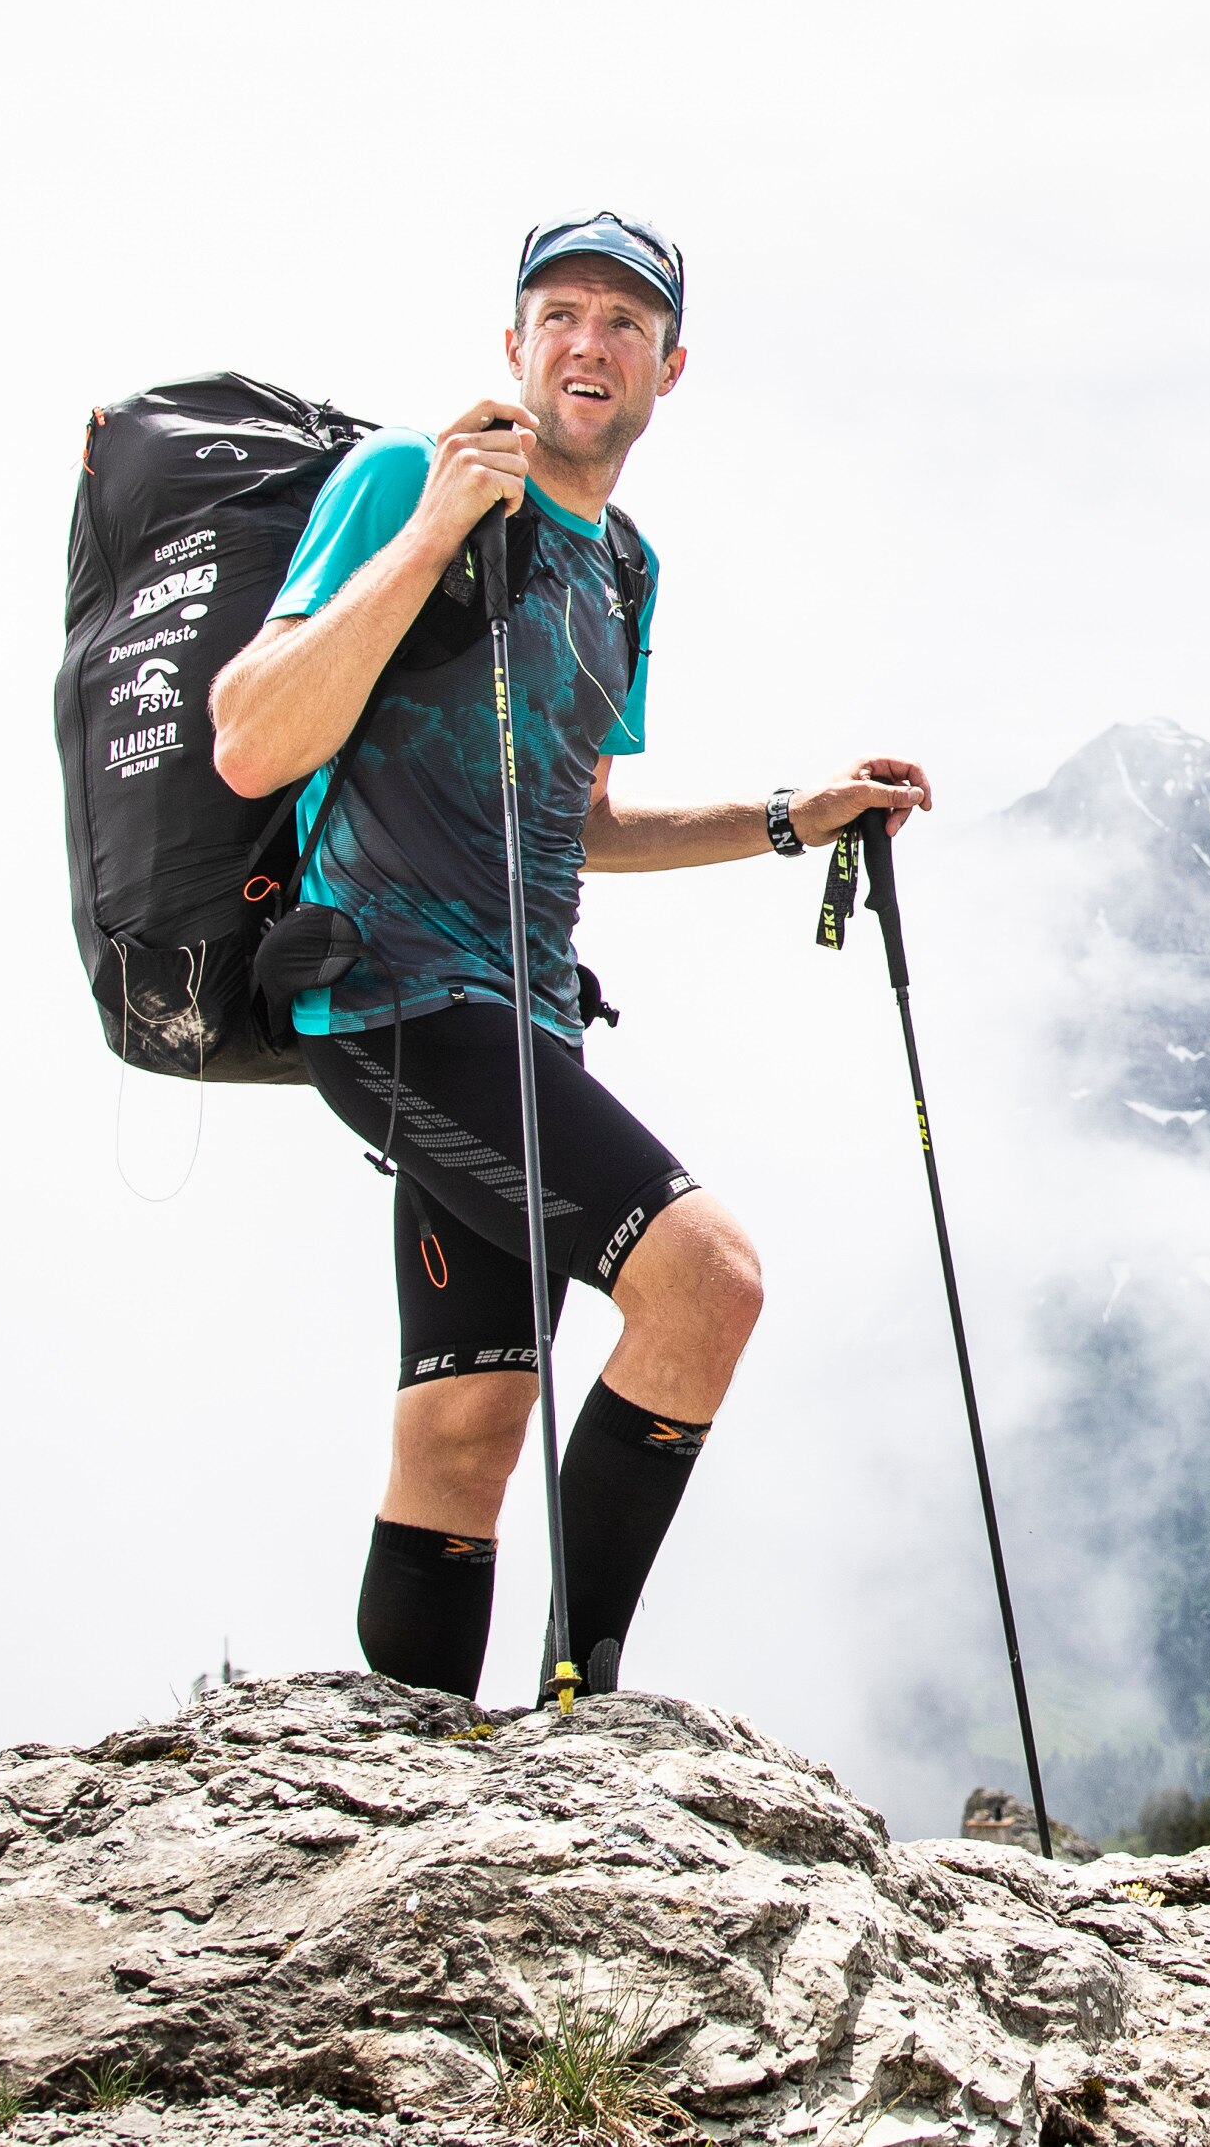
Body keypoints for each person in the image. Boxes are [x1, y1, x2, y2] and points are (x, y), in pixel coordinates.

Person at [208, 215, 927, 1702]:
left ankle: (415, 1766)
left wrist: (794, 813)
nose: (586, 341)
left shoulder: (625, 570)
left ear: (672, 365)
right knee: (708, 1281)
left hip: (527, 1017)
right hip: (393, 994)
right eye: (558, 314)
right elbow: (250, 735)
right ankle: (579, 1710)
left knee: (469, 1419)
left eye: (620, 320)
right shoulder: (412, 480)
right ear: (514, 344)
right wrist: (426, 536)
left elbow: (579, 815)